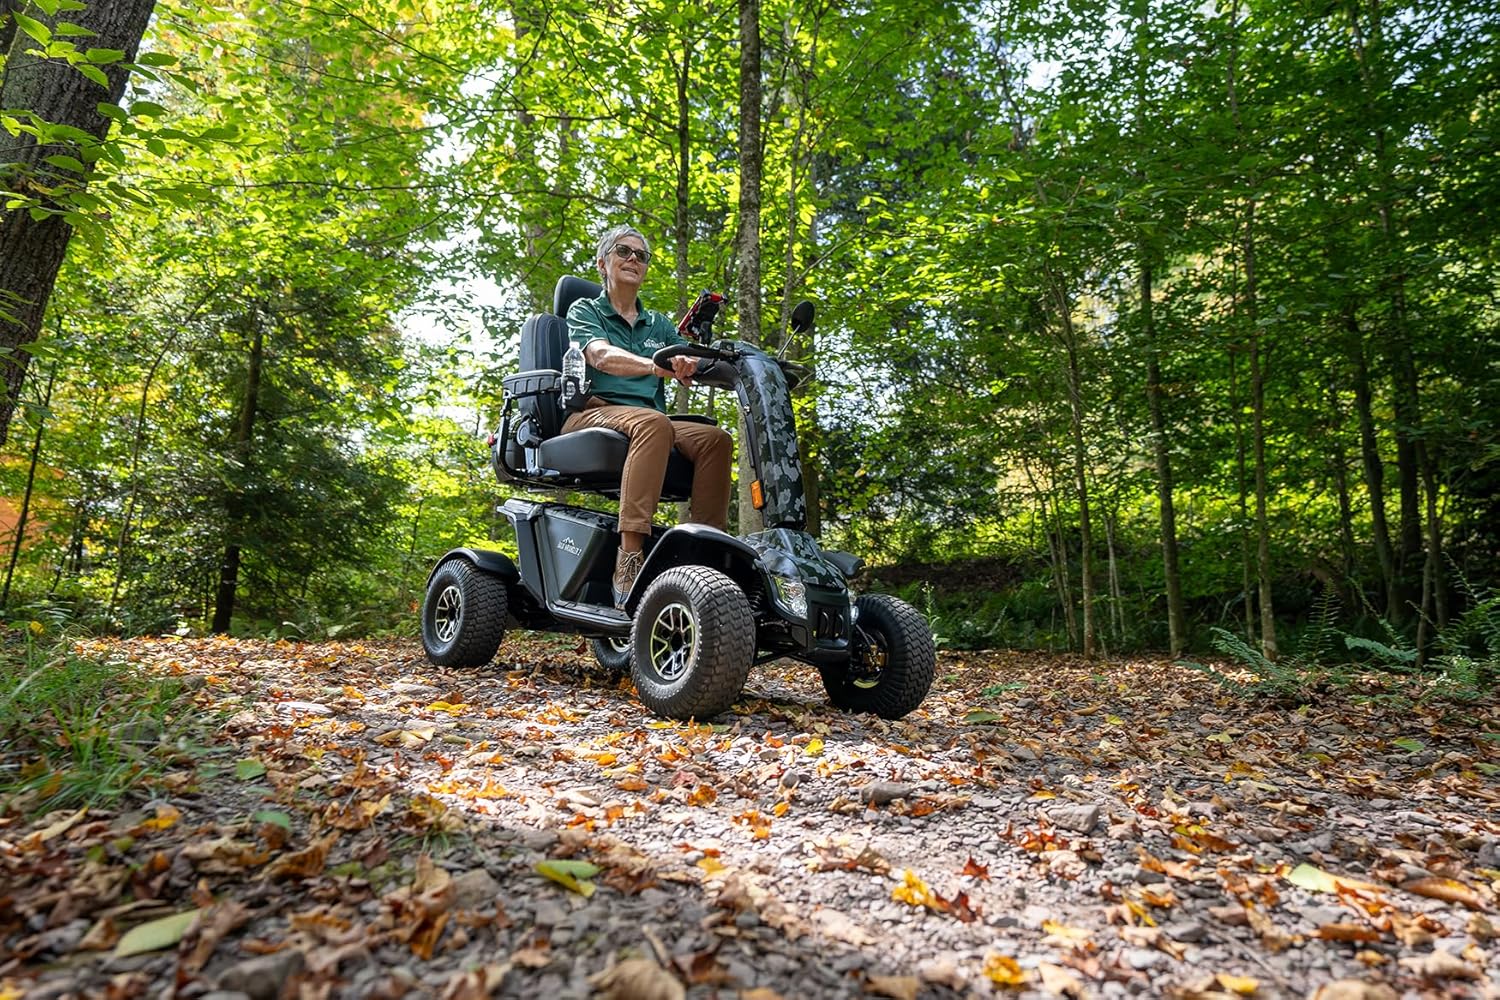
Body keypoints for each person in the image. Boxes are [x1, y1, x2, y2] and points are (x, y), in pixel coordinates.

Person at [563, 224, 733, 607]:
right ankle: (629, 554)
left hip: (647, 419)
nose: (633, 260)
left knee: (715, 440)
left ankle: (701, 559)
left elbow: (680, 361)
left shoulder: (658, 323)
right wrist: (656, 367)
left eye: (641, 255)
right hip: (593, 411)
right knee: (655, 424)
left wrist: (691, 363)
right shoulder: (586, 309)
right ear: (602, 262)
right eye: (624, 251)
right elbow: (600, 356)